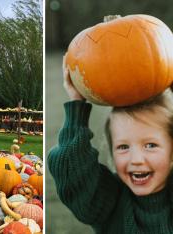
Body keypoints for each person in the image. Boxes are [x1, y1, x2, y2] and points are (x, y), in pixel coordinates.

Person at [48, 56, 173, 233]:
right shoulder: (109, 200)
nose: (136, 159)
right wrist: (77, 102)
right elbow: (71, 168)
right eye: (123, 147)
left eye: (150, 145)